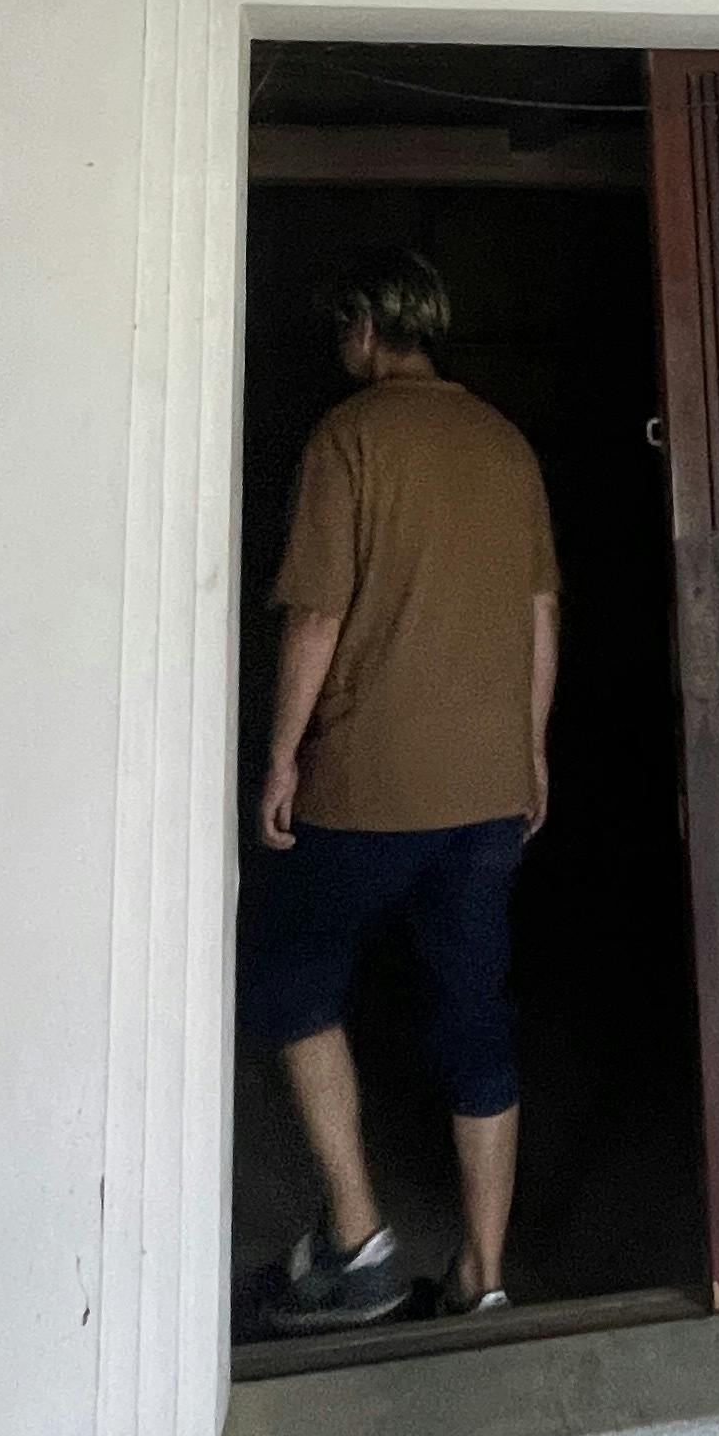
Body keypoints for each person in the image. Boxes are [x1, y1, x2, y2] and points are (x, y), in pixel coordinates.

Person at [244, 248, 559, 1326]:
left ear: (367, 330)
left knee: (290, 974)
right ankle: (483, 1274)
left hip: (366, 784)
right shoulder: (505, 442)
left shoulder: (348, 439)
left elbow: (317, 615)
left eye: (345, 329)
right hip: (486, 792)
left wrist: (282, 755)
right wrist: (531, 751)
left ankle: (357, 1238)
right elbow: (540, 614)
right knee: (476, 1013)